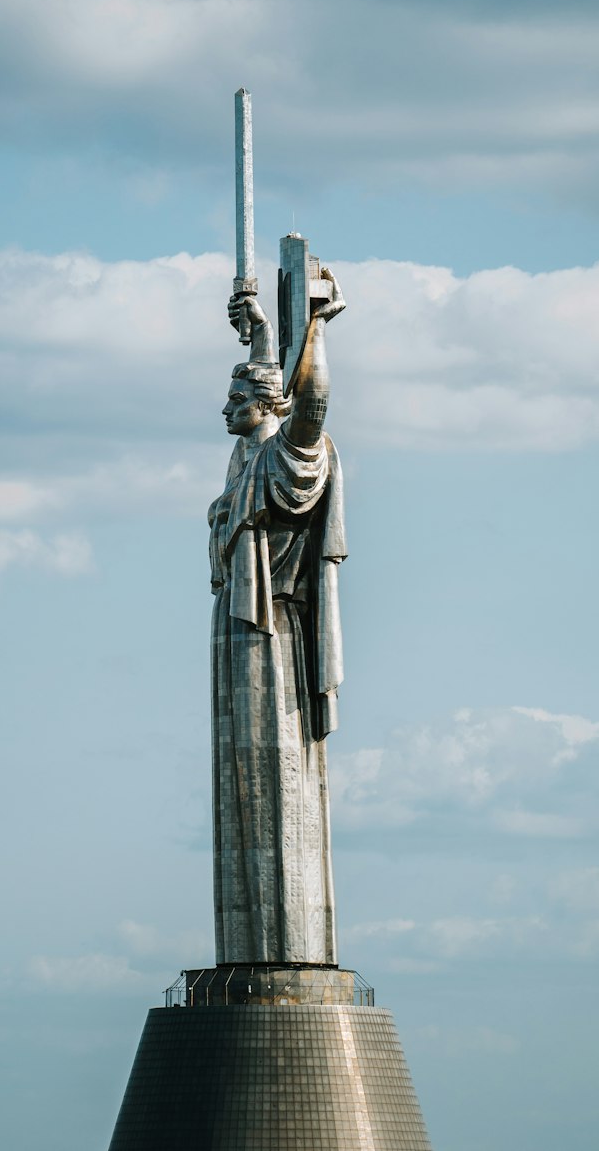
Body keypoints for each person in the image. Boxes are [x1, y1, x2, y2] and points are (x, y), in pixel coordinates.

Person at [208, 270, 347, 966]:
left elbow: (312, 403)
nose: (222, 407)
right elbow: (271, 379)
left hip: (273, 638)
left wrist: (316, 325)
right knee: (237, 796)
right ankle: (251, 954)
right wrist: (260, 325)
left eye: (237, 396)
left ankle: (282, 956)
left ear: (268, 405)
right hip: (235, 637)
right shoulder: (245, 459)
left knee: (275, 792)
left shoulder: (290, 454)